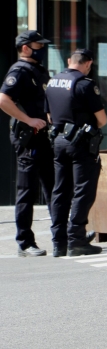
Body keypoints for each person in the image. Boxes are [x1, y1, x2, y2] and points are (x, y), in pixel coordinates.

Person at [46, 49, 107, 257]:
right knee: (83, 191)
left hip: (58, 142)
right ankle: (77, 239)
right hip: (81, 144)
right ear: (89, 63)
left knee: (60, 191)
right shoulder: (85, 84)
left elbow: (49, 116)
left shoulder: (53, 82)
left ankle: (59, 242)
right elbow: (102, 119)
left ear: (69, 61)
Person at [0, 31, 53, 257]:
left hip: (43, 136)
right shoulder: (19, 71)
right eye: (37, 45)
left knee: (53, 187)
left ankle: (66, 232)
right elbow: (3, 100)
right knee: (27, 191)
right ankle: (24, 242)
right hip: (28, 137)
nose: (42, 48)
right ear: (25, 48)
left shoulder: (38, 70)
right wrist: (29, 120)